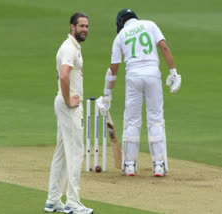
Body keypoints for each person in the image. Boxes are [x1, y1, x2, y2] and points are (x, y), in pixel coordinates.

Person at [98, 9, 181, 177]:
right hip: (152, 75)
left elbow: (113, 70)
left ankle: (129, 165)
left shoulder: (120, 36)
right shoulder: (150, 25)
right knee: (156, 119)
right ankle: (159, 165)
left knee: (132, 120)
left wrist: (107, 95)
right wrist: (174, 73)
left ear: (121, 23)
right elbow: (163, 47)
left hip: (133, 77)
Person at [44, 12, 93, 214]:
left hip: (65, 104)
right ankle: (73, 203)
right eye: (81, 26)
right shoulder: (69, 48)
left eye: (87, 26)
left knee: (62, 153)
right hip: (68, 106)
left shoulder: (73, 47)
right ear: (72, 27)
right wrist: (67, 99)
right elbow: (64, 74)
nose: (85, 30)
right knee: (75, 152)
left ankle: (53, 200)